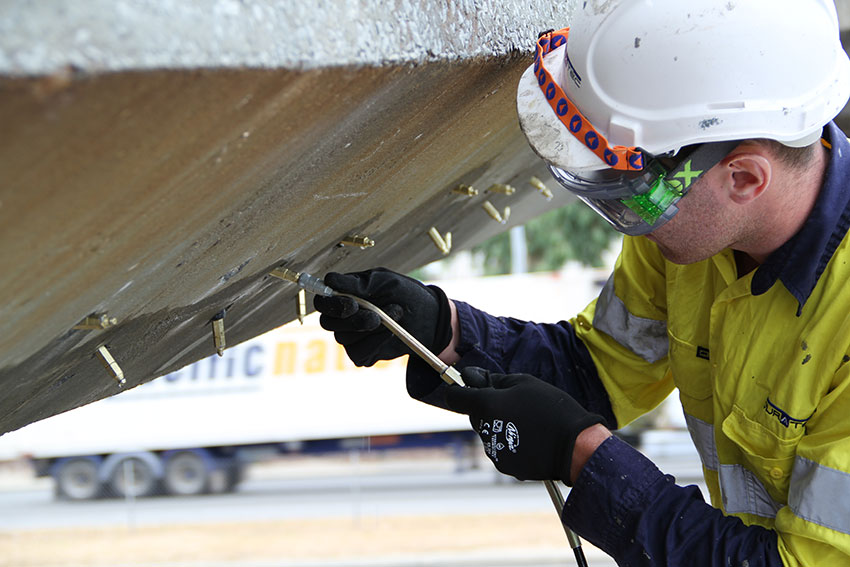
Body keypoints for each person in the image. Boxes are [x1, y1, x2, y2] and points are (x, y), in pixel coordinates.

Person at [314, 1, 850, 565]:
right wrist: (440, 328)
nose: (629, 221)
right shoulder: (694, 238)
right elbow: (597, 372)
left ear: (743, 176)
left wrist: (583, 454)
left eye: (633, 193)